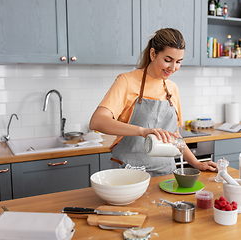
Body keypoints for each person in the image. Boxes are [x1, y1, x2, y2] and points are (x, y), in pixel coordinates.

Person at [89, 28, 217, 177]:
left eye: (178, 62)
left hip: (165, 173)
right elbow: (97, 121)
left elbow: (174, 136)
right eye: (168, 60)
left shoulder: (172, 88)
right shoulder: (127, 81)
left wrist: (196, 163)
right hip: (128, 173)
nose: (173, 67)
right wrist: (142, 131)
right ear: (153, 54)